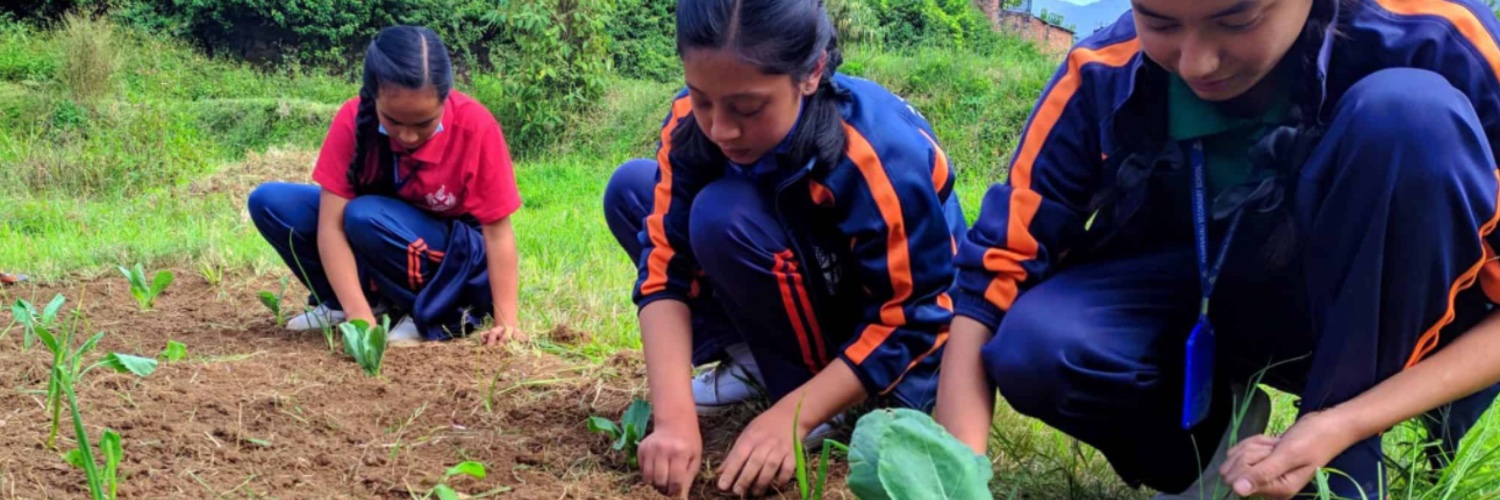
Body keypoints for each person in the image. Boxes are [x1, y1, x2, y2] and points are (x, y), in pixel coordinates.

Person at [933, 0, 1500, 498]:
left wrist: (1345, 424)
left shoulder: (1442, 39)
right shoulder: (1101, 72)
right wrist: (950, 480)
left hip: (1382, 313)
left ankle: (1343, 476)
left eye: (1238, 19)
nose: (1197, 62)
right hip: (1211, 301)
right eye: (1158, 21)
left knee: (1410, 119)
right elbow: (992, 277)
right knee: (1038, 345)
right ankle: (1213, 453)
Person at [601, 0, 967, 495]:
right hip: (797, 269)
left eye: (748, 108)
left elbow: (919, 314)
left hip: (894, 328)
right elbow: (665, 266)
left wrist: (793, 417)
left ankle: (816, 395)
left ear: (812, 72)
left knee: (719, 217)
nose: (721, 129)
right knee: (631, 190)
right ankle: (757, 363)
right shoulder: (693, 125)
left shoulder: (877, 153)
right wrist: (672, 419)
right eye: (701, 97)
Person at [247, 26, 524, 347]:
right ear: (373, 97)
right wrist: (358, 316)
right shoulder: (352, 119)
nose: (407, 136)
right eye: (393, 120)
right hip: (379, 227)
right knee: (271, 203)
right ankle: (354, 304)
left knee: (364, 215)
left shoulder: (475, 128)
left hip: (455, 255)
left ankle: (428, 311)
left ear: (445, 99)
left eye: (423, 123)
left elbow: (498, 233)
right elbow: (331, 229)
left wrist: (507, 322)